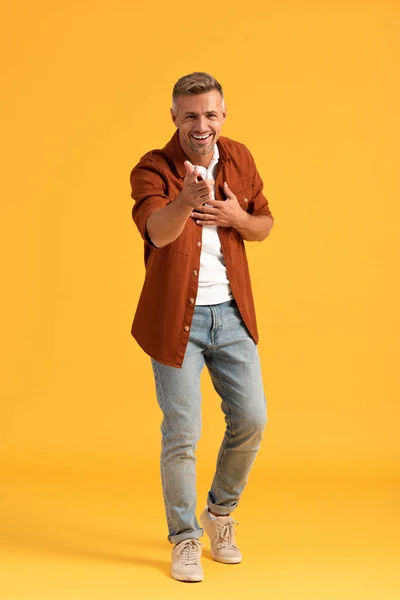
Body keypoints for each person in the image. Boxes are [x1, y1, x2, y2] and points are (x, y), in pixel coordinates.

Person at [129, 72, 274, 582]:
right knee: (183, 433)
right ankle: (185, 539)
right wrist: (186, 200)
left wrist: (236, 215)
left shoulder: (239, 158)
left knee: (252, 420)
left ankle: (220, 512)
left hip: (232, 313)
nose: (201, 124)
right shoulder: (152, 168)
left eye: (210, 114)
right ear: (174, 117)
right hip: (175, 320)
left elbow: (264, 225)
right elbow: (159, 234)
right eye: (190, 114)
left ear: (223, 114)